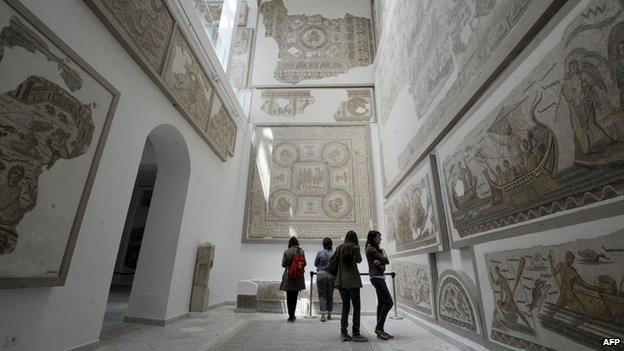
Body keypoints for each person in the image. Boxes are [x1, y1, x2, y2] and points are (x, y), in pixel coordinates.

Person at [334, 231, 367, 342]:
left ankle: (343, 333)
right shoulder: (355, 248)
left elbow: (333, 260)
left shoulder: (339, 248)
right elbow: (359, 260)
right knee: (356, 308)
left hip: (341, 282)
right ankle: (356, 333)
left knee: (345, 307)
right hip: (353, 281)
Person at [365, 231, 394, 340]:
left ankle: (380, 330)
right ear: (373, 238)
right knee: (389, 302)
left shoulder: (371, 249)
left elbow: (383, 265)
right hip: (377, 278)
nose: (380, 239)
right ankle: (379, 328)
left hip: (378, 277)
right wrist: (384, 252)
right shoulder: (371, 249)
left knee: (382, 304)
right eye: (378, 237)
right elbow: (386, 261)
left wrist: (381, 263)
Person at [280, 237, 306, 322]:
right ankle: (293, 314)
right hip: (298, 276)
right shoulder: (301, 251)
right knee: (295, 296)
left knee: (289, 296)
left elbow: (283, 264)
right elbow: (304, 263)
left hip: (289, 275)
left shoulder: (287, 252)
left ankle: (290, 315)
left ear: (290, 243)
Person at [314, 237, 334, 322]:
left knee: (322, 295)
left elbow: (315, 264)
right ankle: (329, 314)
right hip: (331, 276)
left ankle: (323, 315)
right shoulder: (334, 253)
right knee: (330, 295)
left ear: (323, 244)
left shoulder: (320, 253)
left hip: (321, 275)